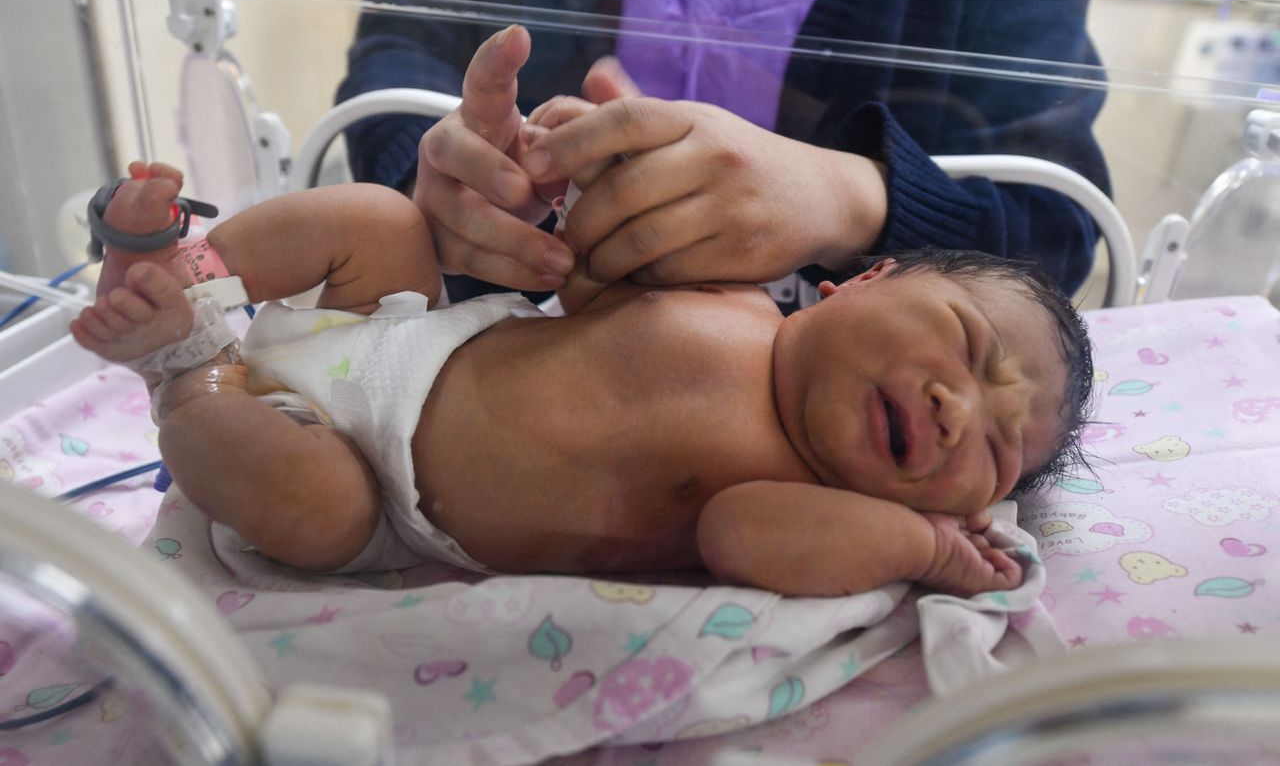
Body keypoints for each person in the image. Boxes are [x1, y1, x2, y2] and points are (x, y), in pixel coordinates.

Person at [69, 158, 1093, 599]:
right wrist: (557, 185)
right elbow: (584, 275)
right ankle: (184, 270)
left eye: (998, 450)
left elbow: (737, 540)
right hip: (405, 332)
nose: (959, 409)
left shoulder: (799, 495)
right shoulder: (731, 291)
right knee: (378, 222)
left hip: (373, 486)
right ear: (857, 280)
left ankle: (183, 361)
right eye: (963, 346)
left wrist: (920, 546)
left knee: (312, 504)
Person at [337, 0, 1110, 310]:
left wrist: (850, 197)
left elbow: (1053, 226)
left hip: (806, 405)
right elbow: (402, 43)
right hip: (510, 338)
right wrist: (435, 175)